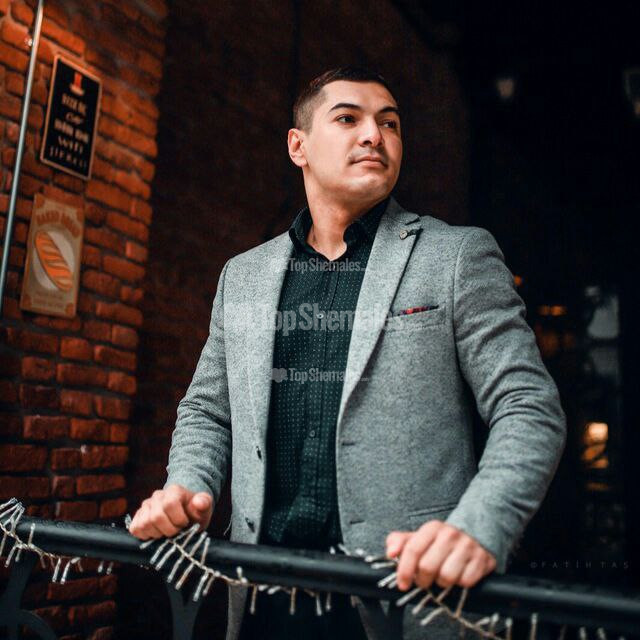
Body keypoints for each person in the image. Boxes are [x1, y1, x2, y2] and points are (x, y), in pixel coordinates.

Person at [129, 66, 567, 639]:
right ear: (298, 146)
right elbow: (208, 411)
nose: (373, 135)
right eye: (347, 118)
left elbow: (528, 406)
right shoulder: (243, 276)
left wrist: (481, 527)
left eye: (390, 123)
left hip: (403, 598)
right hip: (261, 596)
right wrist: (188, 486)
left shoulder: (457, 257)